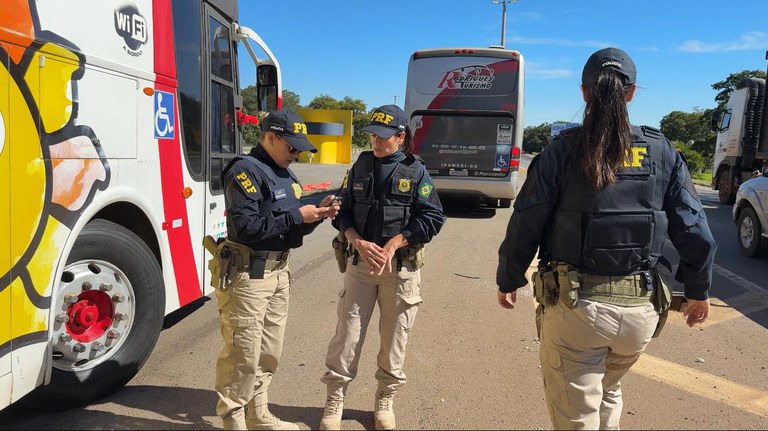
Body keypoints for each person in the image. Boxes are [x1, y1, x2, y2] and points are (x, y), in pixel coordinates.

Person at [495, 48, 717, 430]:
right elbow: (694, 230)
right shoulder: (662, 151)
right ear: (630, 93)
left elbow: (527, 221)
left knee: (576, 417)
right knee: (609, 391)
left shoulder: (561, 149)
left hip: (578, 312)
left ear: (584, 92)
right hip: (641, 316)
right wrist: (698, 290)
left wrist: (509, 277)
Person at [318, 105, 446, 430]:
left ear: (401, 137)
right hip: (360, 267)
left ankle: (384, 399)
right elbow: (343, 208)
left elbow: (433, 217)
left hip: (399, 272)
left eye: (383, 136)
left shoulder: (416, 171)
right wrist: (356, 240)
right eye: (373, 134)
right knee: (347, 336)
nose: (375, 140)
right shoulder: (361, 164)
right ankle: (335, 400)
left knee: (394, 339)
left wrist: (396, 242)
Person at [213, 109, 340, 430]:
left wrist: (316, 214)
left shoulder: (285, 173)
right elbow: (247, 227)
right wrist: (299, 216)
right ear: (270, 137)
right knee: (243, 351)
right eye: (292, 147)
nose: (296, 154)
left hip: (279, 271)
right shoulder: (245, 171)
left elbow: (289, 231)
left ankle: (258, 414)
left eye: (300, 148)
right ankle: (233, 420)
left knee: (269, 349)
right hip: (249, 274)